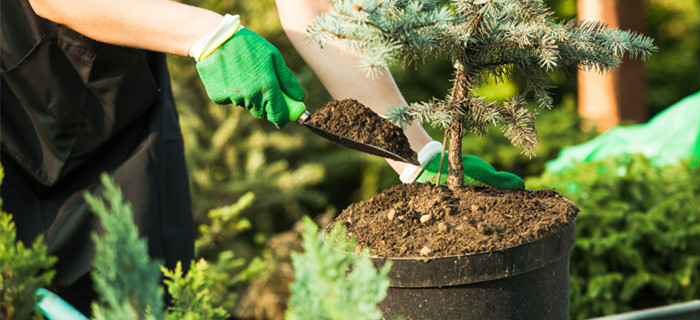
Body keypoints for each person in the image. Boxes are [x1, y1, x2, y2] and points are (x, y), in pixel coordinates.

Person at [1, 0, 523, 315]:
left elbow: (318, 12)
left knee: (142, 287)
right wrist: (206, 35)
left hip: (118, 93)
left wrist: (415, 153)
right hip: (18, 96)